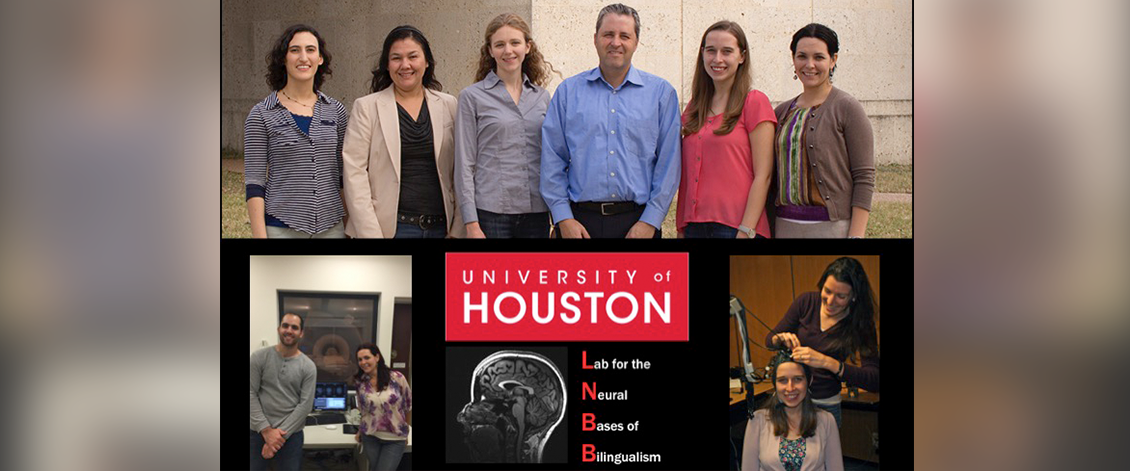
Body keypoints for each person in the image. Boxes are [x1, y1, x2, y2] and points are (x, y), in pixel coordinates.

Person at [540, 3, 680, 238]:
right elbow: (552, 158)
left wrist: (651, 221)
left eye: (624, 35)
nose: (616, 42)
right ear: (595, 39)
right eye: (608, 34)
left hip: (638, 224)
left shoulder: (661, 94)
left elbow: (669, 164)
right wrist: (563, 217)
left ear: (636, 41)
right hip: (579, 225)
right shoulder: (568, 92)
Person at [343, 26, 464, 238]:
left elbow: (461, 170)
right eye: (396, 58)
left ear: (426, 62)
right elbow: (354, 174)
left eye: (413, 56)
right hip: (390, 229)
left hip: (441, 227)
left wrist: (457, 230)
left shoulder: (449, 105)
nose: (405, 65)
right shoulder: (367, 107)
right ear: (387, 65)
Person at [454, 13, 558, 238]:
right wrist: (471, 223)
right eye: (499, 44)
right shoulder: (471, 97)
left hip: (536, 212)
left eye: (515, 43)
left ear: (528, 47)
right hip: (491, 214)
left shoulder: (542, 97)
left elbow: (552, 157)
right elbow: (464, 164)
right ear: (490, 51)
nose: (508, 51)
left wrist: (556, 214)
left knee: (531, 275)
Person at [244, 24, 349, 238]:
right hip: (281, 228)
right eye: (295, 50)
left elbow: (342, 177)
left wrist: (349, 229)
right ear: (284, 58)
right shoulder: (261, 113)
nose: (303, 57)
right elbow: (255, 183)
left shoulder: (336, 111)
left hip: (332, 228)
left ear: (320, 59)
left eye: (310, 50)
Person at [772, 23, 874, 238]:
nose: (809, 65)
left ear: (833, 60)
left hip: (832, 228)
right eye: (802, 56)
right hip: (783, 226)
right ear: (793, 59)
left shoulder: (847, 107)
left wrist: (856, 235)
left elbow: (864, 176)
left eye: (818, 57)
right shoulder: (781, 112)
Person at [677, 21, 776, 239]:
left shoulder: (754, 102)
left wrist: (746, 230)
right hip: (694, 226)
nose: (717, 59)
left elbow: (764, 175)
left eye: (727, 51)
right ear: (702, 54)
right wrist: (681, 227)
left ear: (742, 56)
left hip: (736, 228)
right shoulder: (694, 107)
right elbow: (687, 174)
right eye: (711, 51)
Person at [766, 257, 880, 428]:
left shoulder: (861, 323)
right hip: (792, 401)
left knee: (825, 453)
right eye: (827, 291)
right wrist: (779, 339)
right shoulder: (806, 302)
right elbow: (769, 340)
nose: (830, 301)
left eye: (841, 296)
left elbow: (874, 380)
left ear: (854, 296)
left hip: (826, 405)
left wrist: (828, 362)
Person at [743, 350, 844, 471]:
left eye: (797, 379)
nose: (790, 388)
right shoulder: (758, 420)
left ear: (809, 381)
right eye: (783, 380)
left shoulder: (826, 420)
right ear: (775, 384)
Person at [250, 313, 317, 471]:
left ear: (301, 333)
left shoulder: (308, 367)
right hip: (258, 432)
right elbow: (250, 393)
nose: (289, 330)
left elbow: (305, 405)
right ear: (279, 329)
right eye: (285, 325)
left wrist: (278, 438)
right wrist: (266, 431)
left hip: (291, 436)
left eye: (294, 327)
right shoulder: (259, 357)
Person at [353, 343, 412, 471]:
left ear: (377, 357)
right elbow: (363, 411)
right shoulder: (360, 382)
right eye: (360, 359)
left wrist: (405, 431)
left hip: (394, 439)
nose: (363, 362)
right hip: (370, 437)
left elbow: (408, 405)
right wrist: (360, 431)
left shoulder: (397, 378)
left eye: (367, 357)